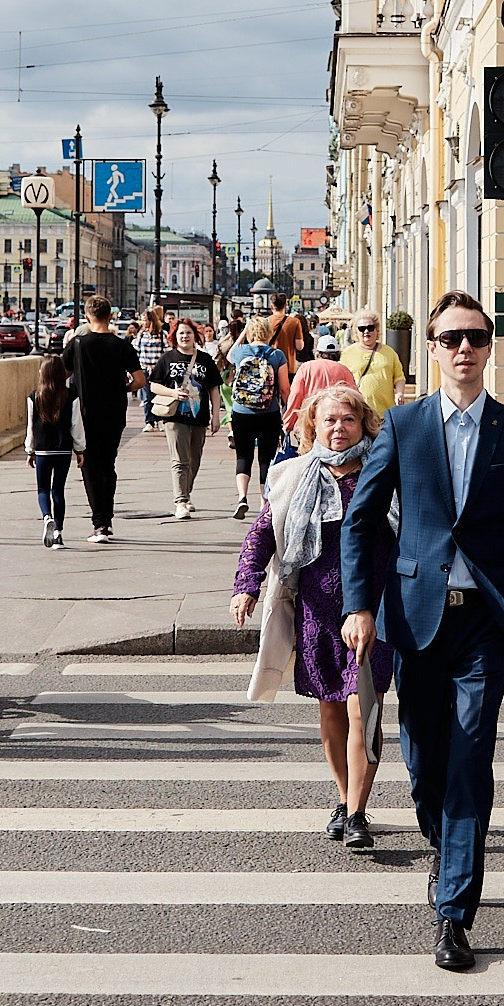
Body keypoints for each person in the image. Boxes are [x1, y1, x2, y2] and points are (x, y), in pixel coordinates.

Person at [342, 289, 504, 974]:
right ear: (433, 348)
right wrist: (360, 606)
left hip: (486, 622)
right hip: (415, 616)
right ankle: (444, 841)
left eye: (475, 336)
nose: (464, 348)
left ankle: (454, 911)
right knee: (422, 756)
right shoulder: (402, 425)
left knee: (471, 753)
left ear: (489, 346)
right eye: (451, 338)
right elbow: (361, 520)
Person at [233, 386, 394, 850]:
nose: (339, 428)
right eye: (330, 420)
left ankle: (358, 811)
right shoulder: (292, 476)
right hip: (317, 611)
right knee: (331, 710)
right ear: (313, 426)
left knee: (365, 708)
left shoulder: (385, 472)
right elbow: (262, 533)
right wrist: (246, 585)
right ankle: (343, 799)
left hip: (373, 609)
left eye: (348, 419)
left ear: (364, 424)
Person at [62, 296, 144, 543]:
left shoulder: (77, 344)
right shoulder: (122, 346)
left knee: (89, 466)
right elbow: (140, 380)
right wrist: (123, 388)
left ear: (87, 317)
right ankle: (106, 521)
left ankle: (100, 523)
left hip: (85, 414)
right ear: (110, 316)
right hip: (114, 413)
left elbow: (60, 375)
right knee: (108, 464)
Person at [149, 317, 220, 519]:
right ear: (175, 336)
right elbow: (153, 385)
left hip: (199, 416)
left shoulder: (204, 359)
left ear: (195, 335)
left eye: (188, 332)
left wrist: (216, 416)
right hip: (174, 416)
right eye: (181, 333)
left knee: (194, 459)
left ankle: (186, 494)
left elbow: (214, 389)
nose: (185, 336)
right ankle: (180, 501)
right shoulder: (167, 358)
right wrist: (173, 393)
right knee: (180, 460)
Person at [227, 316, 289, 519]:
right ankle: (264, 502)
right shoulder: (276, 355)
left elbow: (228, 355)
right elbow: (284, 388)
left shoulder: (240, 352)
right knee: (266, 458)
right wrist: (288, 409)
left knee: (243, 455)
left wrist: (243, 334)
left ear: (250, 333)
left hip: (241, 412)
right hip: (268, 413)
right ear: (269, 332)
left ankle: (242, 497)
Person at [26, 356, 86, 548]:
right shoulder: (71, 395)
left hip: (42, 451)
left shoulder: (34, 396)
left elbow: (30, 427)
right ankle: (58, 533)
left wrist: (30, 450)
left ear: (42, 374)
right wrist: (80, 449)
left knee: (42, 489)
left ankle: (47, 517)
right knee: (58, 490)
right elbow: (76, 425)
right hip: (63, 451)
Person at [344, 309, 406, 415]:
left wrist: (399, 393)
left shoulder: (389, 352)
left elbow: (399, 377)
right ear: (356, 332)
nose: (366, 331)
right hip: (359, 412)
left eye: (370, 328)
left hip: (385, 413)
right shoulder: (347, 353)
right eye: (361, 328)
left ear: (377, 330)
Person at [132, 305, 169, 433]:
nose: (143, 323)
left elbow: (167, 352)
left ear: (151, 320)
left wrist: (159, 366)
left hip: (158, 370)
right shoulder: (142, 334)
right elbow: (136, 350)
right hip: (144, 369)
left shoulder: (162, 334)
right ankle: (149, 421)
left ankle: (160, 420)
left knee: (159, 395)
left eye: (145, 320)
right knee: (147, 397)